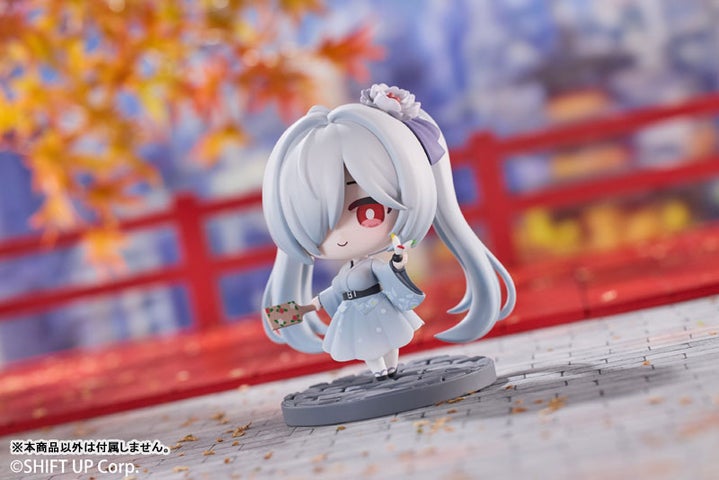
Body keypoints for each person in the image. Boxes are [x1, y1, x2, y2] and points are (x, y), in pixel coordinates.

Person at [262, 84, 515, 379]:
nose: (340, 235)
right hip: (356, 317)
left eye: (367, 211)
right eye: (318, 224)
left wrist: (397, 259)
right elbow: (328, 297)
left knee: (388, 340)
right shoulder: (344, 277)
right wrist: (301, 310)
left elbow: (391, 271)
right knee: (368, 347)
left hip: (380, 311)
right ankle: (381, 372)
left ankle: (390, 368)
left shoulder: (370, 267)